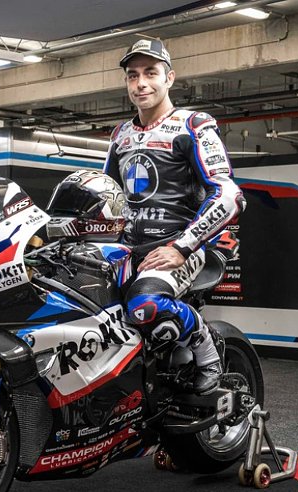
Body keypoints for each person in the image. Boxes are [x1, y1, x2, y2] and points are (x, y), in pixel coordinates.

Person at [103, 38, 245, 394]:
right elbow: (104, 193)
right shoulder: (120, 135)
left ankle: (207, 351)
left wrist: (182, 247)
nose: (141, 83)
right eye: (132, 75)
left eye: (151, 73)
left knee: (145, 306)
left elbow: (229, 195)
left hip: (178, 247)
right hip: (127, 249)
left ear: (170, 78)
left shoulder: (193, 125)